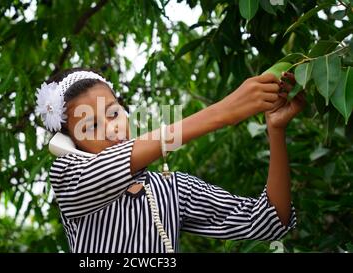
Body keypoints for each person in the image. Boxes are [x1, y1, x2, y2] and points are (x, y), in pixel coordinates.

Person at [35, 67, 305, 253]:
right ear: (69, 142)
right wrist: (225, 111)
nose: (110, 129)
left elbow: (270, 221)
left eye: (114, 114)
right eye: (91, 125)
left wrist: (276, 131)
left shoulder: (172, 189)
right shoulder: (69, 176)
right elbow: (112, 166)